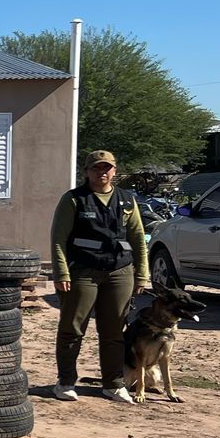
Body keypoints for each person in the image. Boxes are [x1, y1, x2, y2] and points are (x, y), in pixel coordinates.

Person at [50, 150, 147, 403]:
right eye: (96, 168)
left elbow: (137, 238)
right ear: (87, 172)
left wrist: (142, 274)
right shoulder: (74, 199)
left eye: (107, 168)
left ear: (115, 171)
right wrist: (61, 271)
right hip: (82, 271)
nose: (102, 172)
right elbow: (58, 239)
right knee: (72, 328)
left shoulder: (127, 200)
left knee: (114, 330)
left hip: (119, 271)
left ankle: (113, 384)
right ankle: (66, 381)